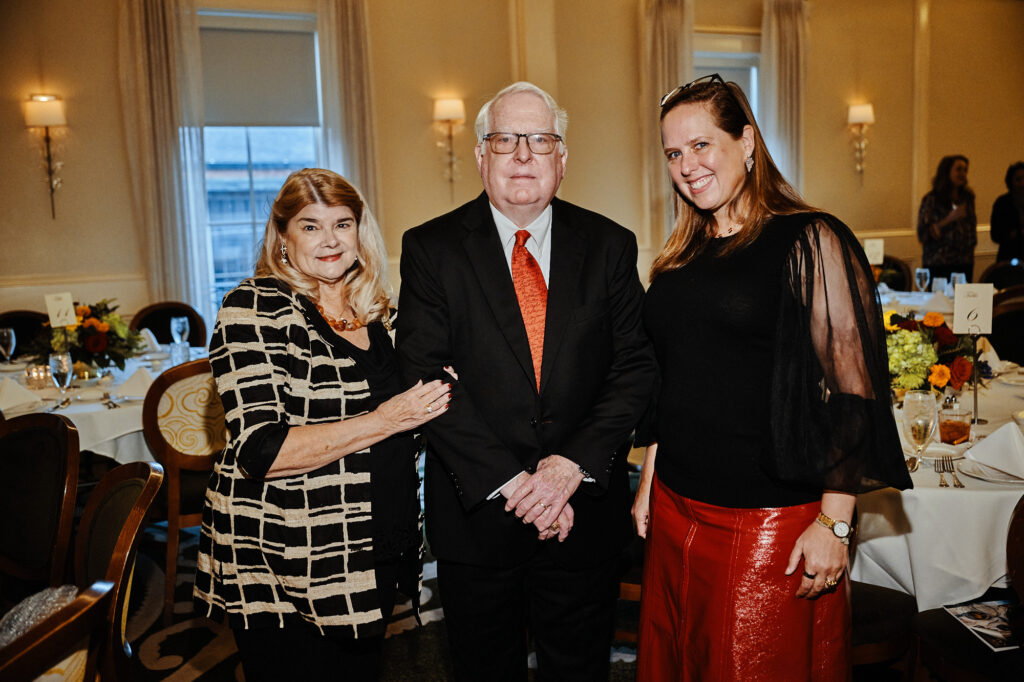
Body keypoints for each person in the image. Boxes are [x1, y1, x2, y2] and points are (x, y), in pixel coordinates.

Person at [631, 74, 912, 680]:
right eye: (674, 153)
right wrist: (652, 467)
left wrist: (835, 523)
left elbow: (855, 391)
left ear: (748, 140)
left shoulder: (811, 238)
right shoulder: (682, 254)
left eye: (702, 145)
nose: (687, 165)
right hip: (677, 506)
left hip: (763, 519)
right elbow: (675, 371)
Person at [396, 82, 657, 681]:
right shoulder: (431, 248)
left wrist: (568, 468)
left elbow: (635, 367)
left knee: (579, 670)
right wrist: (519, 486)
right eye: (505, 139)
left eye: (540, 140)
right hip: (477, 516)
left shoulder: (610, 245)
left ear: (562, 160)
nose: (522, 155)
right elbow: (423, 377)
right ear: (480, 156)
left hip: (583, 514)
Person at [193, 168, 450, 681]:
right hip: (290, 557)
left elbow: (420, 411)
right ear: (283, 236)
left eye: (343, 223)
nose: (330, 240)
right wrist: (384, 421)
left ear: (361, 231)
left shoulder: (380, 314)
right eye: (310, 226)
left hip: (375, 543)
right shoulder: (253, 308)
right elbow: (262, 449)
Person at [917, 154, 977, 281]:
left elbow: (971, 229)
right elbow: (923, 234)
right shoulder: (931, 199)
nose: (963, 173)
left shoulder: (967, 198)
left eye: (965, 170)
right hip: (938, 262)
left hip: (964, 263)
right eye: (958, 169)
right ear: (946, 171)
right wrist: (949, 219)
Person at [990, 161, 1024, 263]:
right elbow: (995, 235)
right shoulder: (1002, 203)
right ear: (1011, 182)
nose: (1023, 183)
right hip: (1008, 259)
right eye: (1018, 179)